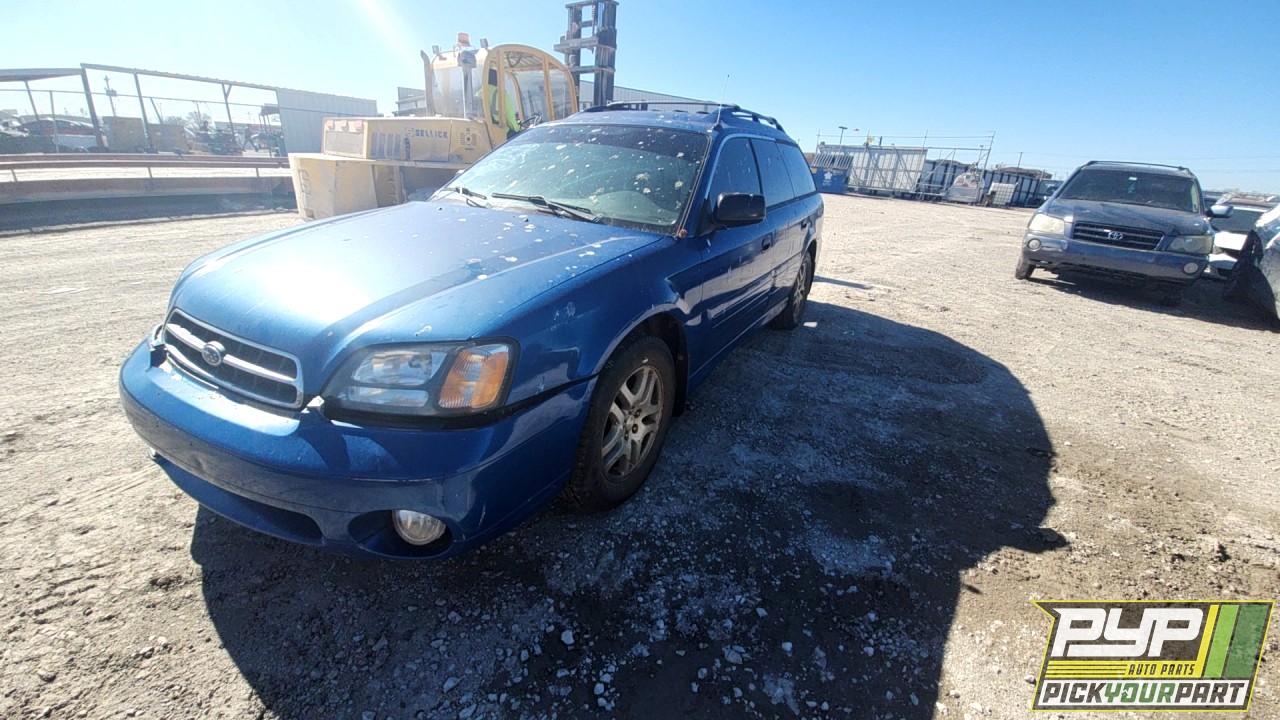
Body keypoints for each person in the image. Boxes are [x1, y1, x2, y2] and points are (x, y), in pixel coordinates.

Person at [485, 68, 521, 138]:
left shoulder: (478, 93)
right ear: (498, 79)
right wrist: (518, 127)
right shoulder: (501, 94)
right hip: (501, 132)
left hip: (487, 131)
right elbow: (510, 119)